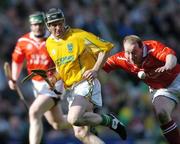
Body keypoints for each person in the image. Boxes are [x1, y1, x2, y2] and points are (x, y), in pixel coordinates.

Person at [44, 8, 127, 144]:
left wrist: (95, 69)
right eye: (53, 25)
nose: (57, 27)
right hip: (71, 89)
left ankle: (110, 120)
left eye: (60, 23)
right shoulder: (49, 43)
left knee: (73, 119)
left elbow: (105, 48)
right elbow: (62, 68)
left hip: (86, 83)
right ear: (48, 26)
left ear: (64, 21)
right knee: (81, 133)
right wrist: (54, 78)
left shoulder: (79, 36)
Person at [103, 35, 180, 144]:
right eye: (127, 52)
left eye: (134, 52)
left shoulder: (152, 48)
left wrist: (168, 65)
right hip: (161, 89)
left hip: (177, 78)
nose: (130, 56)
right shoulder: (123, 58)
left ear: (142, 47)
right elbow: (103, 66)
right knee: (162, 114)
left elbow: (171, 57)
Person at [8, 12, 68, 144]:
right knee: (58, 124)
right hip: (37, 87)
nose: (38, 27)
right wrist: (14, 78)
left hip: (53, 84)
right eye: (35, 24)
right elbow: (17, 61)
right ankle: (84, 121)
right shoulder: (23, 41)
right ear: (30, 25)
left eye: (41, 24)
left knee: (34, 112)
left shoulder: (54, 40)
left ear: (45, 24)